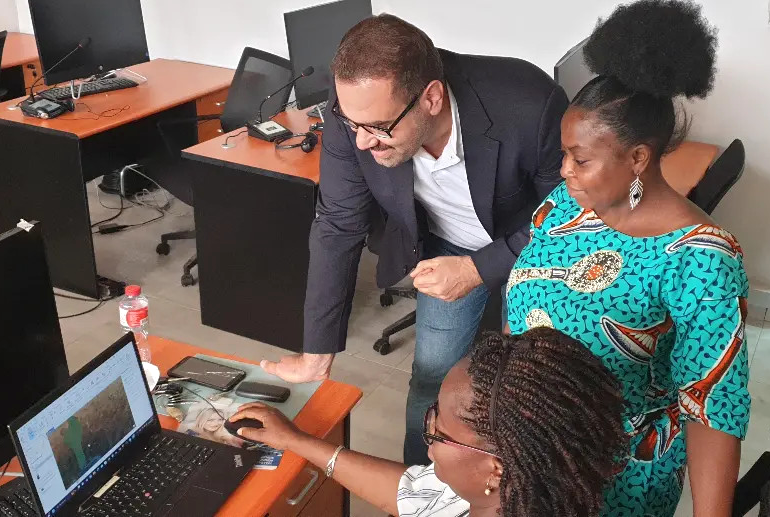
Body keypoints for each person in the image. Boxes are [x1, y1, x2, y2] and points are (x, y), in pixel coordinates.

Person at [261, 14, 568, 465]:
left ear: (431, 98)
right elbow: (338, 222)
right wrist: (317, 349)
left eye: (380, 128)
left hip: (538, 250)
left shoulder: (526, 103)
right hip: (446, 248)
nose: (363, 143)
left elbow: (568, 215)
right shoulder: (357, 113)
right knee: (432, 381)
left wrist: (481, 268)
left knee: (534, 393)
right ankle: (416, 488)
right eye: (353, 126)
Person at [505, 2, 751, 516]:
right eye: (564, 153)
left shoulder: (700, 259)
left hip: (616, 478)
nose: (564, 169)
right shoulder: (561, 208)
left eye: (581, 158)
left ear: (638, 158)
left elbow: (712, 409)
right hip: (526, 452)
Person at [234, 329, 627, 516]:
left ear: (496, 470)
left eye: (438, 432)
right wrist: (296, 440)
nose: (428, 444)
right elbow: (413, 493)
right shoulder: (490, 496)